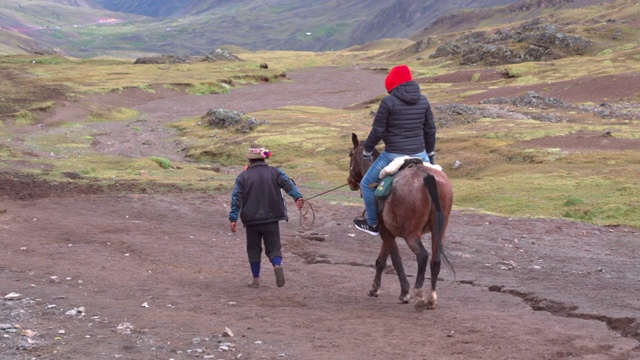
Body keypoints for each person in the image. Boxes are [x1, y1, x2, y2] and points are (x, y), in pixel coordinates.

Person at [353, 64, 437, 236]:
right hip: (420, 154)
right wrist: (430, 153)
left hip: (394, 155)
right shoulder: (423, 100)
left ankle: (372, 224)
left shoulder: (388, 102)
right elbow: (430, 129)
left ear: (392, 83)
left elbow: (378, 131)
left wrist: (368, 149)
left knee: (366, 185)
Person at [229, 144, 304, 288]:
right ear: (264, 159)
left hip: (251, 221)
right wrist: (297, 198)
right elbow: (288, 184)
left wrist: (233, 218)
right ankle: (277, 265)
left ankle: (256, 279)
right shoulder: (274, 172)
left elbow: (236, 198)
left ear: (250, 160)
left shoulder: (242, 177)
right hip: (272, 218)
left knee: (253, 249)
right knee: (274, 247)